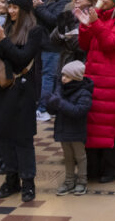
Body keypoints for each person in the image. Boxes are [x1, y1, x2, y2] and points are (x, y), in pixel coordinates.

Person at [0, 0, 45, 202]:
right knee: (4, 136)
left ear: (24, 9)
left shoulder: (35, 31)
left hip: (22, 90)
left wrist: (2, 42)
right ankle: (11, 179)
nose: (10, 11)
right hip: (2, 88)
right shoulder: (7, 27)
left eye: (15, 7)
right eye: (9, 6)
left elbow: (22, 58)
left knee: (22, 138)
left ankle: (28, 182)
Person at [77, 0, 115, 183]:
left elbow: (111, 43)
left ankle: (111, 168)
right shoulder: (97, 15)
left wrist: (94, 23)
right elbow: (84, 45)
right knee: (93, 121)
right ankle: (93, 167)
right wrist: (85, 26)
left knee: (110, 121)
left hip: (114, 76)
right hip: (93, 74)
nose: (101, 0)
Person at [44, 60, 94, 196]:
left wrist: (59, 102)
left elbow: (78, 111)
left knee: (80, 156)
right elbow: (54, 110)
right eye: (63, 75)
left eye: (67, 76)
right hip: (63, 130)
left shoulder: (84, 92)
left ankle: (82, 181)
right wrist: (49, 103)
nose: (63, 78)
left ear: (76, 77)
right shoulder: (60, 89)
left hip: (77, 131)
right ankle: (69, 181)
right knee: (68, 157)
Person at [32, 0, 71, 122]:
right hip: (46, 43)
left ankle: (43, 109)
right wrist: (39, 7)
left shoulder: (66, 0)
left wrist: (40, 8)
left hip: (54, 45)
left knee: (48, 77)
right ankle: (51, 107)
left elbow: (54, 20)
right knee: (51, 76)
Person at [53, 0, 97, 67]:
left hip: (81, 64)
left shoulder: (92, 18)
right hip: (65, 62)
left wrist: (71, 30)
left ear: (89, 1)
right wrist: (60, 31)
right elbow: (54, 41)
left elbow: (80, 47)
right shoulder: (70, 14)